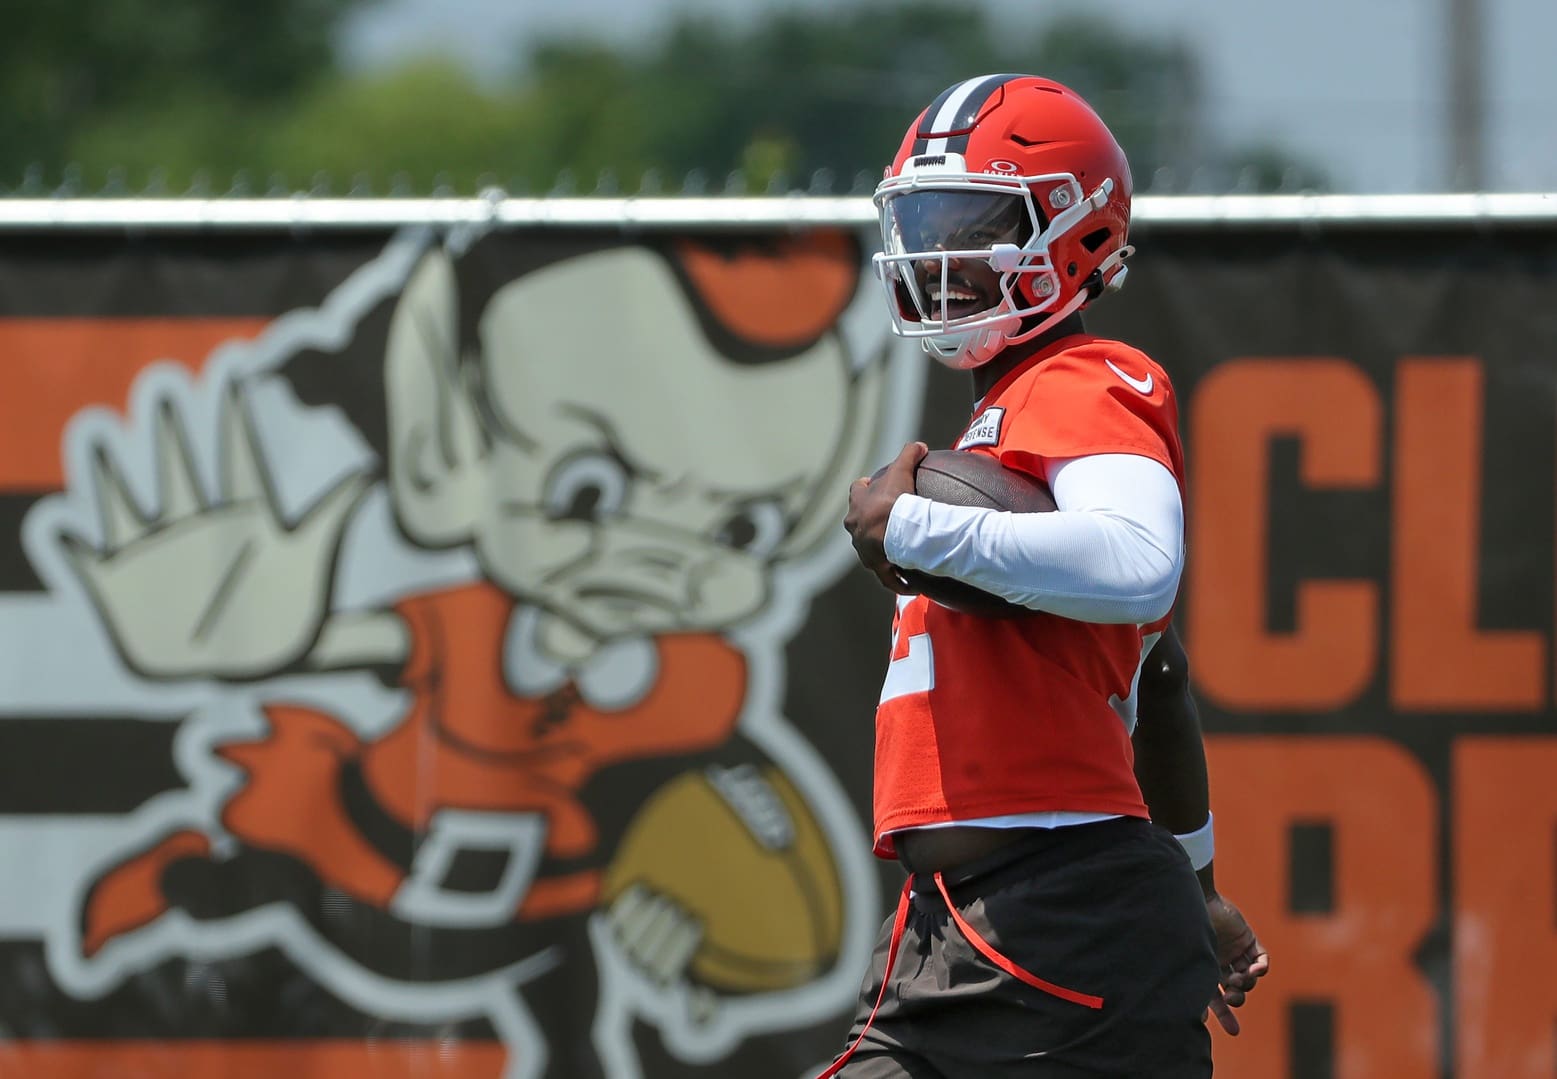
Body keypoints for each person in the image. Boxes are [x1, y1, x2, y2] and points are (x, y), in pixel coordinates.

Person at [830, 74, 1269, 1077]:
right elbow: (1160, 673)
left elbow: (1139, 568)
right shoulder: (1001, 436)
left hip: (1060, 916)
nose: (941, 254)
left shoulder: (1081, 381)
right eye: (926, 222)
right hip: (954, 926)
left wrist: (913, 529)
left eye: (977, 223)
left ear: (1075, 235)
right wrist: (1197, 884)